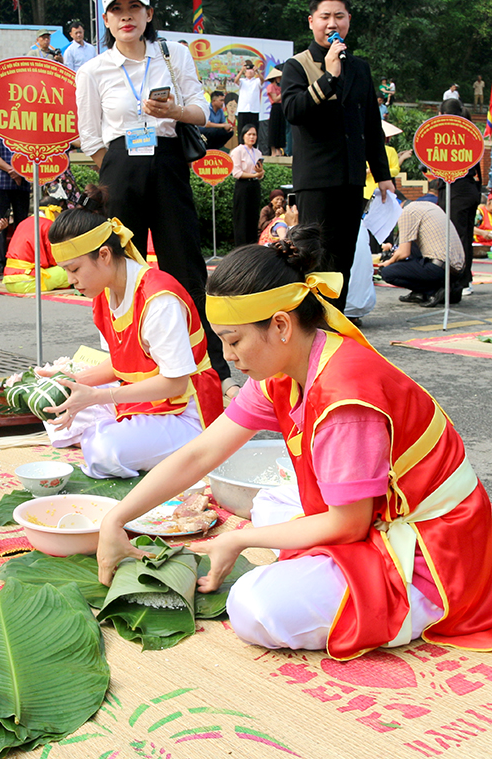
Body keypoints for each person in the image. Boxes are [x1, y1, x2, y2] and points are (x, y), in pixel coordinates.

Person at [97, 226, 492, 658]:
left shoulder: (344, 399)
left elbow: (348, 525)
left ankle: (413, 607)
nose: (227, 356)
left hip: (434, 551)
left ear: (281, 325)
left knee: (253, 606)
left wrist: (238, 541)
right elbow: (202, 452)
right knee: (269, 506)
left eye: (233, 340)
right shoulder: (286, 368)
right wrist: (115, 519)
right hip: (379, 514)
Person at [76, 0, 235, 396]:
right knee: (118, 268)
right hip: (119, 168)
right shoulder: (93, 70)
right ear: (106, 21)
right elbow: (91, 136)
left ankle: (210, 366)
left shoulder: (173, 53)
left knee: (184, 264)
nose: (126, 17)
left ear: (149, 14)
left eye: (134, 9)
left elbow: (202, 112)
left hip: (168, 163)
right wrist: (116, 169)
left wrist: (174, 111)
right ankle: (126, 360)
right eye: (116, 11)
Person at [40, 185, 224, 478]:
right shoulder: (104, 290)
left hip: (186, 410)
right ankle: (119, 432)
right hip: (142, 396)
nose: (71, 280)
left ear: (103, 255)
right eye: (66, 272)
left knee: (102, 452)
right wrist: (73, 382)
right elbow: (123, 361)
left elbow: (176, 384)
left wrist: (97, 397)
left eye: (74, 269)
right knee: (56, 411)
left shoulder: (158, 298)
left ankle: (149, 442)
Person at [280, 0, 393, 312]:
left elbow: (370, 123)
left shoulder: (359, 68)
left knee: (343, 259)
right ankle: (310, 329)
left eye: (339, 17)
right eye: (325, 16)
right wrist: (328, 77)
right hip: (316, 180)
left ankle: (335, 325)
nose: (332, 23)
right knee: (315, 257)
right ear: (311, 21)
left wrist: (382, 174)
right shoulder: (297, 65)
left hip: (351, 178)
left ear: (348, 21)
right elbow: (293, 111)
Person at [379, 196, 465, 306]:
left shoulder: (407, 213)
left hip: (439, 268)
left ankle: (432, 291)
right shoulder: (427, 206)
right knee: (410, 248)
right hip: (456, 270)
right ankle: (424, 292)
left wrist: (389, 262)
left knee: (387, 272)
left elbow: (404, 253)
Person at [436, 98, 482, 298]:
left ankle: (459, 282)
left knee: (456, 237)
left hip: (458, 190)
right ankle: (464, 280)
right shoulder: (470, 134)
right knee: (464, 237)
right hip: (469, 190)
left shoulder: (453, 135)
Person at [0, 131, 30, 274]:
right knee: (0, 223)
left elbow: (32, 155)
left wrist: (20, 172)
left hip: (22, 183)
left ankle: (21, 259)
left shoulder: (27, 129)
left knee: (21, 223)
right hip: (1, 183)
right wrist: (12, 171)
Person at [2, 199, 68, 294]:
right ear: (53, 211)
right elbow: (55, 259)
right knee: (67, 271)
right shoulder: (48, 225)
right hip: (28, 280)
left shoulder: (23, 222)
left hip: (9, 280)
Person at [231, 125, 264, 247]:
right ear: (243, 135)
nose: (252, 137)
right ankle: (241, 247)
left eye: (254, 134)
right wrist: (253, 174)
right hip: (242, 187)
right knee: (242, 218)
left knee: (253, 217)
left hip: (254, 186)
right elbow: (237, 173)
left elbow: (260, 174)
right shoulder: (237, 151)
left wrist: (260, 173)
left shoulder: (257, 152)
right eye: (249, 134)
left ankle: (252, 246)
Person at [234, 61, 262, 148]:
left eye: (251, 70)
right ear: (245, 73)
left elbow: (262, 80)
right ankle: (241, 146)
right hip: (243, 109)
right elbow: (236, 80)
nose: (250, 72)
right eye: (248, 70)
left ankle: (253, 147)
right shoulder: (242, 81)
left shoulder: (256, 81)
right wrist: (241, 71)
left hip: (254, 109)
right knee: (242, 129)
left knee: (254, 129)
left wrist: (258, 72)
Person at [265, 67, 285, 156]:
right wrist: (283, 93)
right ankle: (273, 151)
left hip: (281, 108)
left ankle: (278, 150)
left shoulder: (280, 87)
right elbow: (275, 99)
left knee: (281, 128)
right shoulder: (270, 87)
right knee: (274, 129)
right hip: (275, 108)